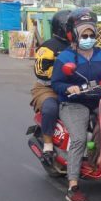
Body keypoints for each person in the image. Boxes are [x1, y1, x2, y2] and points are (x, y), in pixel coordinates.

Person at [51, 9, 101, 201]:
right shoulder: (65, 58)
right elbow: (56, 83)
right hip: (74, 104)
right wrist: (69, 87)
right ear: (74, 35)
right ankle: (73, 185)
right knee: (80, 139)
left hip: (100, 101)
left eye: (91, 35)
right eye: (84, 35)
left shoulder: (100, 54)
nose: (88, 38)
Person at [30, 10, 71, 164]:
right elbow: (40, 72)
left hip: (75, 87)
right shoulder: (48, 47)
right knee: (50, 108)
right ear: (61, 27)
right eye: (70, 26)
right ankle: (48, 144)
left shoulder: (80, 45)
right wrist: (63, 73)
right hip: (47, 88)